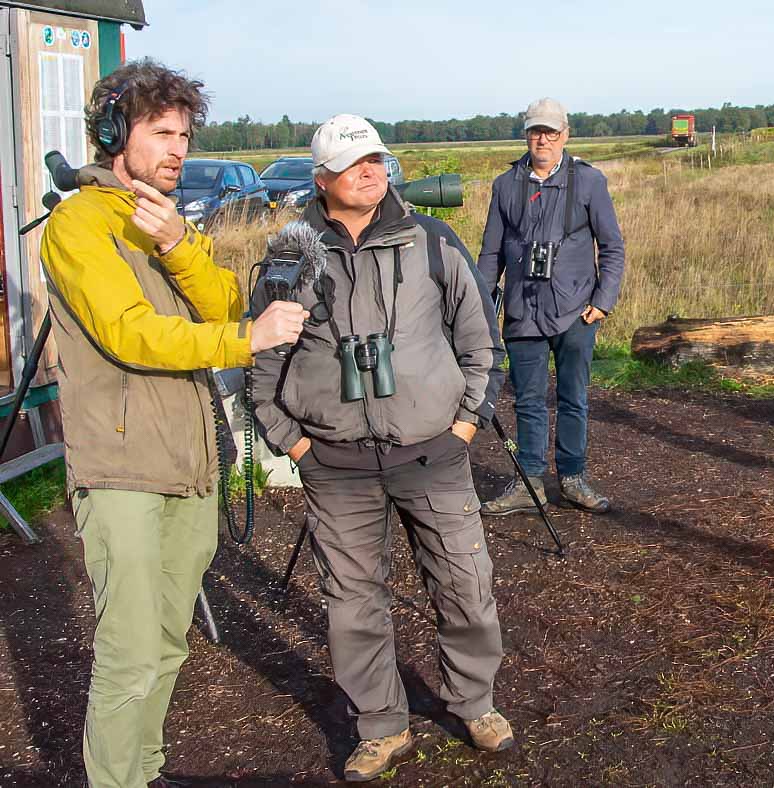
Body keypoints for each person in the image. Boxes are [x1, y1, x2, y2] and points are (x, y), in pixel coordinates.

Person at [38, 59, 308, 788]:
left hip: (189, 463)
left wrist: (178, 246)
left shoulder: (165, 221)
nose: (177, 149)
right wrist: (246, 342)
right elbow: (133, 334)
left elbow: (220, 300)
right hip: (120, 468)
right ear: (112, 134)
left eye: (184, 134)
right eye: (161, 132)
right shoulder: (78, 224)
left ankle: (146, 770)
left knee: (167, 640)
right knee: (127, 651)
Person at [248, 114, 512, 781]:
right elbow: (259, 363)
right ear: (321, 178)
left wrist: (467, 423)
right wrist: (294, 445)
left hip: (434, 452)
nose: (371, 170)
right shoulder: (290, 252)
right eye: (354, 162)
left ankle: (473, 701)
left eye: (377, 159)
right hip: (334, 465)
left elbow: (482, 340)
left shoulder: (431, 238)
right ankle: (382, 726)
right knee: (353, 602)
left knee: (465, 583)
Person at [477, 97, 625, 516]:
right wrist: (481, 307)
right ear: (526, 134)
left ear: (565, 135)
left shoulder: (589, 182)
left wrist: (603, 302)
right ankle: (530, 482)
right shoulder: (505, 186)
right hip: (524, 310)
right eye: (535, 131)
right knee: (527, 400)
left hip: (577, 310)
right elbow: (491, 255)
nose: (542, 139)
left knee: (573, 396)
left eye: (550, 132)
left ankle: (574, 478)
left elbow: (612, 247)